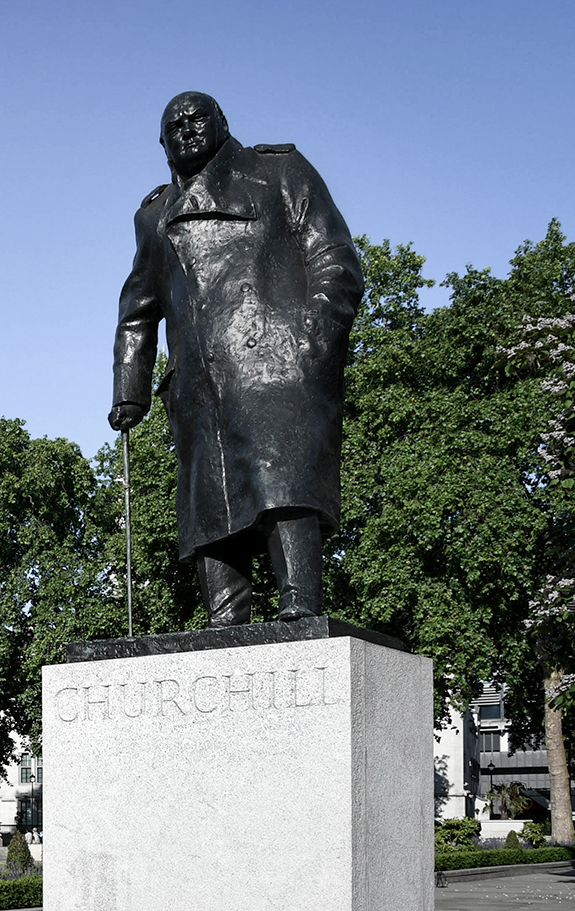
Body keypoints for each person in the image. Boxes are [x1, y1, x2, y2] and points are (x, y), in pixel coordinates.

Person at [109, 92, 363, 626]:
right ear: (161, 144)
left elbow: (335, 259)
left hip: (278, 364)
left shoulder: (279, 172)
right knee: (209, 511)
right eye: (172, 127)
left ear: (223, 121)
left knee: (283, 486)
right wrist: (130, 391)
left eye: (197, 118)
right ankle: (225, 621)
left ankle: (300, 604)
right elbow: (137, 309)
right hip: (198, 384)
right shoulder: (154, 216)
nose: (186, 130)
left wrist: (310, 339)